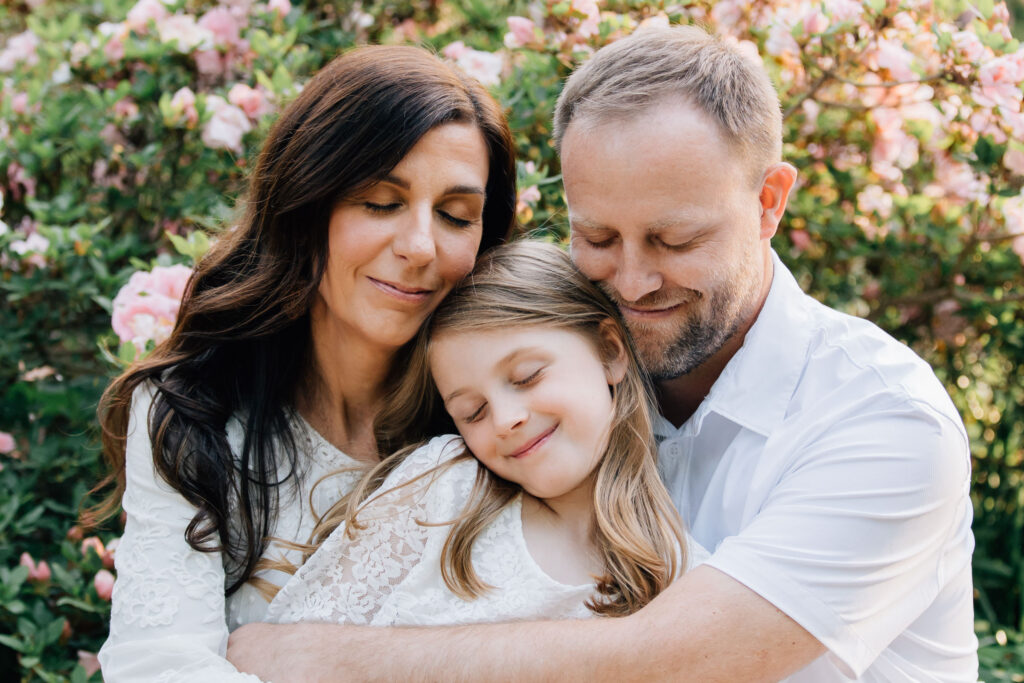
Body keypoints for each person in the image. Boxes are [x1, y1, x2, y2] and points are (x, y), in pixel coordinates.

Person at [226, 25, 977, 682]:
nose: (633, 281)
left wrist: (319, 659)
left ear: (768, 202)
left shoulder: (883, 421)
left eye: (675, 239)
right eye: (597, 237)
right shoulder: (572, 369)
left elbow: (672, 662)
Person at [92, 44, 516, 681]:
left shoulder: (505, 419)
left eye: (457, 216)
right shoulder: (196, 412)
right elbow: (157, 664)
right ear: (305, 202)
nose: (421, 247)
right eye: (381, 202)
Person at [263, 241, 708, 628]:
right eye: (472, 412)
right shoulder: (445, 489)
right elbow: (291, 646)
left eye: (527, 376)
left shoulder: (681, 571)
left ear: (609, 351)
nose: (505, 420)